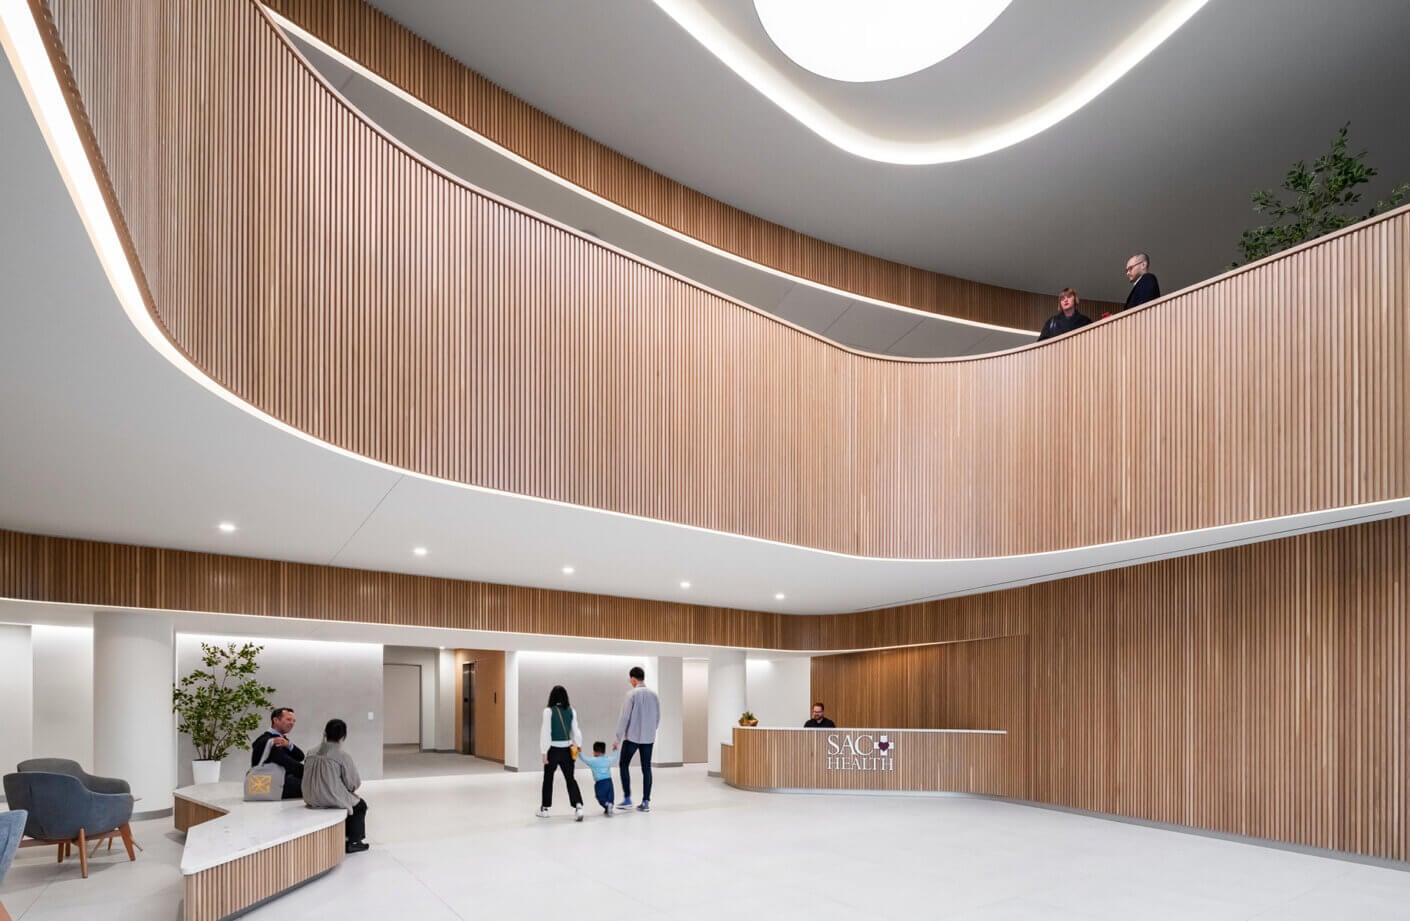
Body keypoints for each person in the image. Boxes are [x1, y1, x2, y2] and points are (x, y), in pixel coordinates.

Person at [302, 718, 369, 853]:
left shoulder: (310, 752)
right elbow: (353, 783)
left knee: (351, 801)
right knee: (360, 805)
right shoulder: (342, 756)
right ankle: (354, 841)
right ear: (343, 736)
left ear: (325, 733)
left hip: (309, 796)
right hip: (329, 797)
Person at [613, 665, 661, 812]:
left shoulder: (631, 694)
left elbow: (624, 717)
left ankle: (627, 799)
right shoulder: (654, 695)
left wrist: (618, 738)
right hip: (648, 738)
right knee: (646, 769)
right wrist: (651, 731)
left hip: (632, 737)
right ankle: (646, 802)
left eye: (630, 679)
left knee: (623, 764)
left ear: (633, 679)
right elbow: (658, 717)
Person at [538, 685, 584, 821]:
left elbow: (546, 732)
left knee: (548, 778)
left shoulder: (548, 711)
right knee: (570, 778)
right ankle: (578, 805)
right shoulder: (571, 711)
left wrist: (544, 751)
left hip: (553, 749)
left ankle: (545, 808)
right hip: (567, 749)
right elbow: (576, 730)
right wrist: (579, 744)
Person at [250, 707, 305, 799]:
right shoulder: (270, 740)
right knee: (313, 786)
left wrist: (289, 745)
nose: (292, 723)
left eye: (294, 721)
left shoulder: (281, 739)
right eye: (288, 719)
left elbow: (300, 756)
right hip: (272, 785)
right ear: (275, 720)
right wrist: (309, 772)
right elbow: (288, 763)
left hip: (275, 783)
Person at [577, 742, 616, 816]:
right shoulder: (608, 759)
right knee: (610, 796)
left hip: (600, 783)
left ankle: (607, 805)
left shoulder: (593, 761)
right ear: (604, 751)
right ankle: (609, 805)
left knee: (600, 796)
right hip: (609, 781)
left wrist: (579, 752)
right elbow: (614, 757)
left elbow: (584, 759)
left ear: (595, 752)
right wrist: (615, 750)